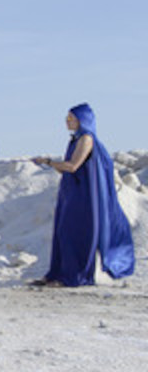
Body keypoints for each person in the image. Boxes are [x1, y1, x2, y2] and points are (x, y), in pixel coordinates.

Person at [31, 103, 135, 287]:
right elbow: (66, 170)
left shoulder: (86, 139)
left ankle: (73, 277)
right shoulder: (75, 140)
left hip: (82, 197)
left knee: (75, 234)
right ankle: (57, 274)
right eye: (67, 117)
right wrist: (48, 163)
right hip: (70, 193)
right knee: (62, 233)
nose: (67, 121)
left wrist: (48, 161)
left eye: (71, 118)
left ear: (82, 120)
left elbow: (72, 166)